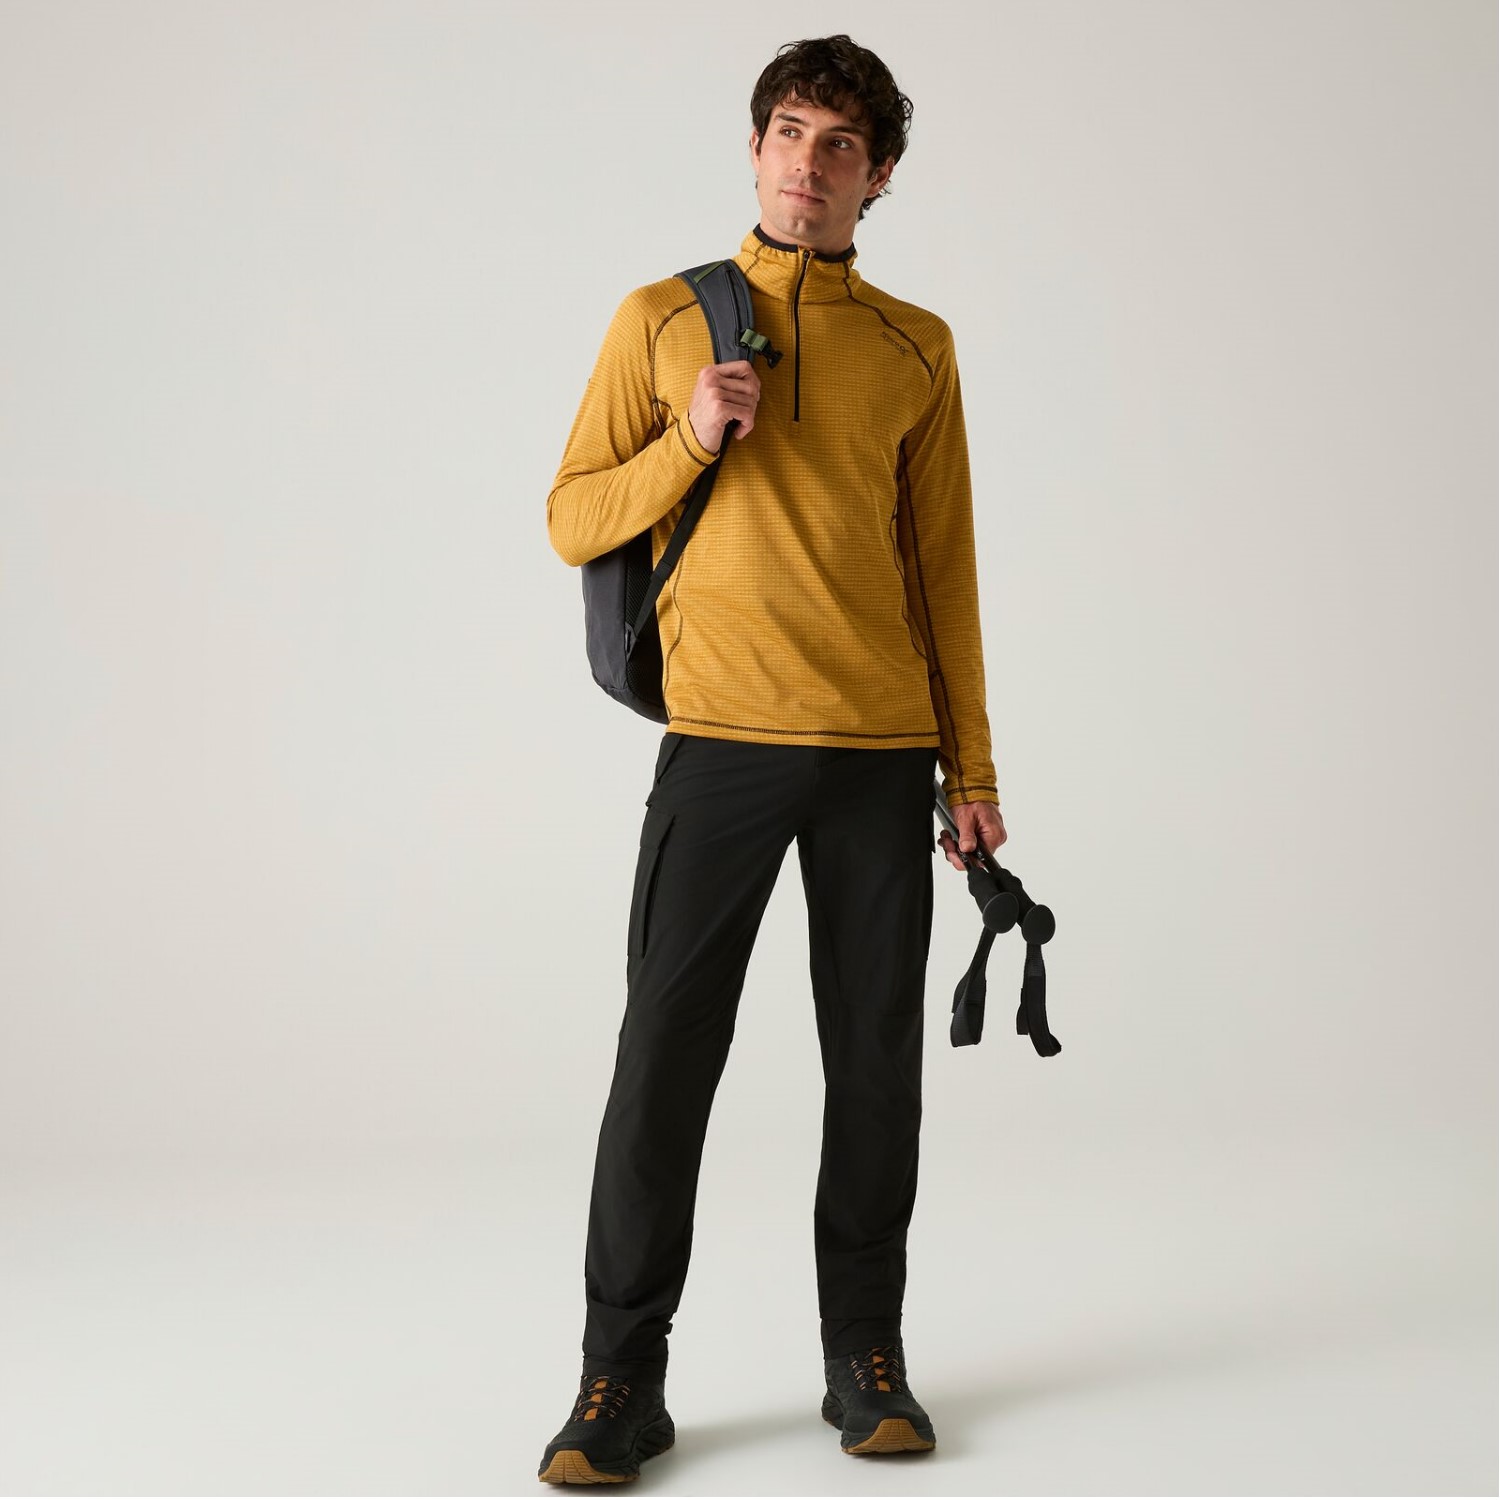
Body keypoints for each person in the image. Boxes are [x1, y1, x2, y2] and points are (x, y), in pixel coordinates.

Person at [538, 33, 1005, 1486]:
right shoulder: (661, 319)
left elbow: (943, 575)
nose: (811, 163)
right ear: (755, 150)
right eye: (791, 132)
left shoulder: (917, 346)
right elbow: (570, 516)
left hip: (881, 753)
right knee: (662, 1066)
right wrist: (689, 438)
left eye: (841, 144)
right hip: (722, 749)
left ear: (879, 176)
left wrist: (974, 775)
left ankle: (866, 1357)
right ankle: (620, 1380)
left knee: (874, 1069)